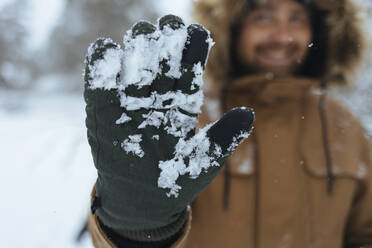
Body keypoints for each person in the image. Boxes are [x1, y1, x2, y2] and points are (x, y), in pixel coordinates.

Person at [84, 0, 372, 247]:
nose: (283, 35)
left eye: (297, 18)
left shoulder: (346, 127)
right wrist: (136, 226)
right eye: (264, 16)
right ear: (233, 27)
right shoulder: (182, 117)